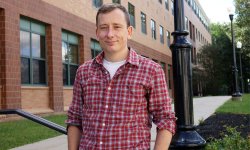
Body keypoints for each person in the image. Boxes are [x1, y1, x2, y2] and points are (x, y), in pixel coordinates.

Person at [66, 3, 176, 150]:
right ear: (97, 32)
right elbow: (75, 119)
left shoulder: (152, 70)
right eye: (104, 27)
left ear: (129, 31)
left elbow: (166, 120)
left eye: (117, 27)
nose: (110, 34)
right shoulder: (84, 72)